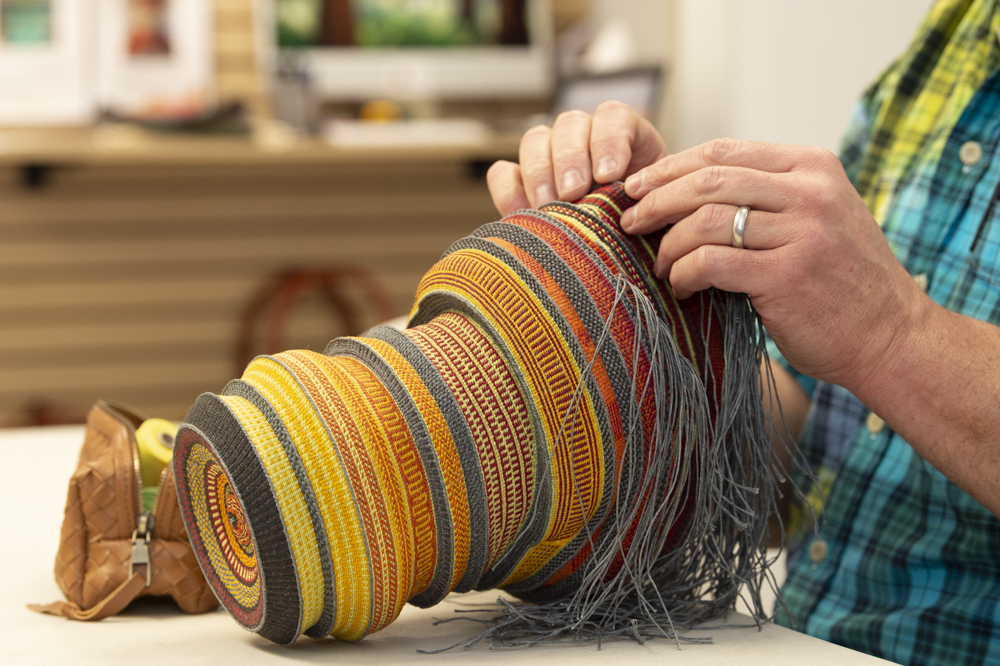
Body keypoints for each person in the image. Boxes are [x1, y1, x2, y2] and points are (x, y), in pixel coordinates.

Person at [485, 1, 1000, 664]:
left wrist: (892, 334)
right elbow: (810, 425)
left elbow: (880, 342)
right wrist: (650, 314)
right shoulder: (955, 36)